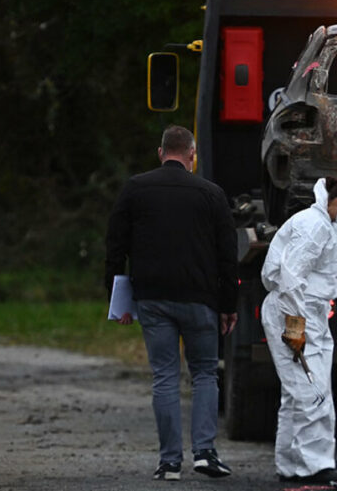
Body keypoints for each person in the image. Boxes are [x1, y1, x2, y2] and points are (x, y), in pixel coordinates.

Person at [105, 125, 240, 480]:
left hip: (152, 297)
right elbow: (228, 255)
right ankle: (205, 452)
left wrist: (118, 301)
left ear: (160, 151)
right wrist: (229, 304)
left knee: (164, 377)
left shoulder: (136, 189)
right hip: (200, 298)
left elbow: (115, 246)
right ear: (192, 155)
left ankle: (169, 463)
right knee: (205, 374)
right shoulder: (211, 193)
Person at [260, 176, 337, 484]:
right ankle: (315, 465)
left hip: (308, 311)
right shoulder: (315, 227)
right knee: (312, 391)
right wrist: (295, 326)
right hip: (295, 311)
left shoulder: (326, 226)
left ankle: (292, 463)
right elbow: (291, 278)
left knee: (299, 391)